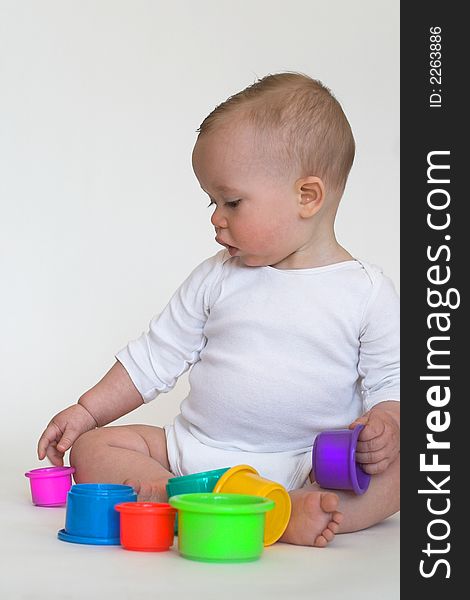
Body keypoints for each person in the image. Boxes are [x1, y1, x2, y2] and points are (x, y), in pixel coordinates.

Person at [37, 73, 400, 547]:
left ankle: (281, 511)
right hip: (196, 455)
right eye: (212, 200)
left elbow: (390, 380)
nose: (215, 217)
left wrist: (386, 424)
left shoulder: (366, 292)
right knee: (96, 447)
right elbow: (154, 357)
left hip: (305, 465)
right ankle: (186, 498)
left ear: (306, 197)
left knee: (413, 467)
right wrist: (87, 411)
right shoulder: (217, 277)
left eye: (232, 201)